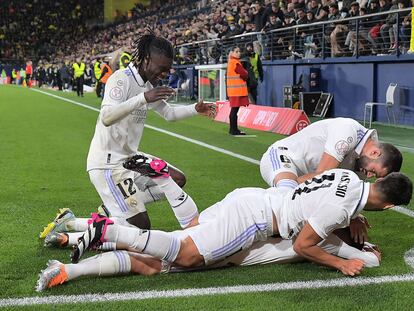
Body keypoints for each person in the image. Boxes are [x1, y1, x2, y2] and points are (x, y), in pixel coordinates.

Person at [66, 163, 412, 279]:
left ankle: (79, 231)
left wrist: (352, 215)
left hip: (255, 198)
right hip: (257, 220)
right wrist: (341, 264)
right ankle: (110, 228)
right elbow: (302, 245)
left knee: (187, 233)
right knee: (184, 257)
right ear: (389, 206)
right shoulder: (340, 211)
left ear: (378, 181)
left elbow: (309, 182)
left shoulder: (348, 177)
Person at [40, 33, 216, 248]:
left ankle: (116, 207)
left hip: (131, 159)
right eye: (162, 68)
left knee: (176, 180)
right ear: (145, 60)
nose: (165, 73)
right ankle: (72, 228)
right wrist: (143, 98)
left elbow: (169, 114)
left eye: (168, 69)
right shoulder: (121, 79)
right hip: (108, 164)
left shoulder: (149, 85)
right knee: (140, 230)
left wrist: (195, 109)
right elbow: (106, 117)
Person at [260, 118, 403, 189]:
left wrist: (353, 218)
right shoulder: (348, 132)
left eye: (374, 175)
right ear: (375, 152)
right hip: (283, 156)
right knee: (287, 194)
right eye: (373, 171)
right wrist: (295, 187)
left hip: (306, 174)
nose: (369, 176)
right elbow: (322, 177)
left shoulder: (362, 163)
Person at [226, 46, 249, 136]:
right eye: (236, 51)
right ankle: (234, 130)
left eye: (239, 51)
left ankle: (233, 129)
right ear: (232, 53)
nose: (239, 53)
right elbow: (245, 74)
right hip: (237, 91)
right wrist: (246, 73)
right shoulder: (235, 63)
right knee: (234, 111)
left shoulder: (231, 62)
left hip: (233, 91)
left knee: (234, 111)